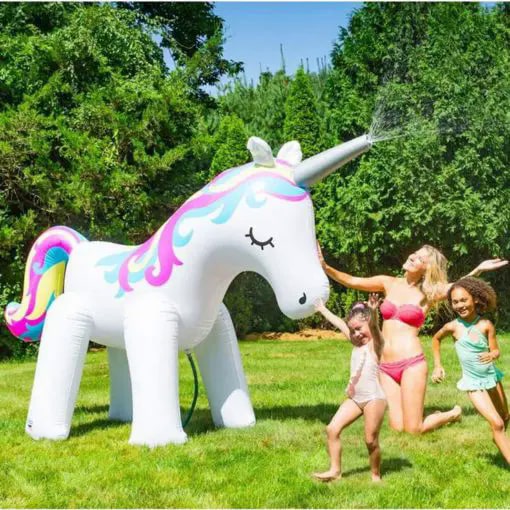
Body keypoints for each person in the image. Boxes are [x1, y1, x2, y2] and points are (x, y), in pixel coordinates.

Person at [318, 243, 508, 434]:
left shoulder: (429, 293)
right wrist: (325, 267)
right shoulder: (388, 283)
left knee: (414, 429)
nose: (412, 257)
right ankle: (434, 416)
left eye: (420, 258)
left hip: (411, 362)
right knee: (397, 427)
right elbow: (352, 280)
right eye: (415, 253)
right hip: (385, 365)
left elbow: (458, 286)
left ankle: (452, 414)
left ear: (426, 268)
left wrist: (478, 270)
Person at [431, 277, 510, 463]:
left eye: (463, 300)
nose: (460, 305)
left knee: (505, 417)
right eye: (455, 302)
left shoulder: (486, 325)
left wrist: (492, 355)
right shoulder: (453, 327)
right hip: (473, 383)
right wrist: (438, 365)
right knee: (497, 423)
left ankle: (498, 438)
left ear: (475, 299)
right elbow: (435, 339)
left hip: (492, 378)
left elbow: (496, 350)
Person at [313, 294, 386, 482]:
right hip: (355, 398)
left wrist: (373, 312)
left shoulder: (376, 344)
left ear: (368, 323)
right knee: (332, 429)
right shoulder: (355, 342)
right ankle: (335, 471)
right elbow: (339, 323)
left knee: (370, 440)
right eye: (353, 331)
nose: (356, 334)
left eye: (359, 329)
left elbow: (375, 328)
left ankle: (375, 475)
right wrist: (322, 309)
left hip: (373, 398)